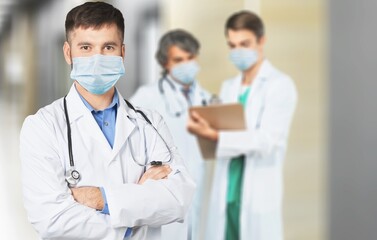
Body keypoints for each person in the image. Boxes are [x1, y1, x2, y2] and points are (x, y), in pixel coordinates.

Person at [20, 2, 195, 240]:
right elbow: (53, 220)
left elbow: (179, 199)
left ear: (122, 52)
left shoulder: (149, 123)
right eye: (86, 47)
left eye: (108, 47)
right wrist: (134, 221)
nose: (97, 57)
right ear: (68, 53)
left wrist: (101, 198)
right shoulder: (42, 127)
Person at [187, 11, 297, 240]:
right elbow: (223, 135)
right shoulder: (229, 87)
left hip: (256, 198)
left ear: (261, 41)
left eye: (244, 44)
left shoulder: (280, 85)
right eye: (232, 45)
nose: (238, 52)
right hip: (227, 195)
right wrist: (204, 129)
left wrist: (216, 136)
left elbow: (267, 141)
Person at [130, 29, 211, 240]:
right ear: (165, 63)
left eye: (190, 58)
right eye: (178, 59)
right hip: (167, 195)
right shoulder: (145, 98)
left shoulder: (207, 99)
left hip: (201, 194)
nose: (186, 64)